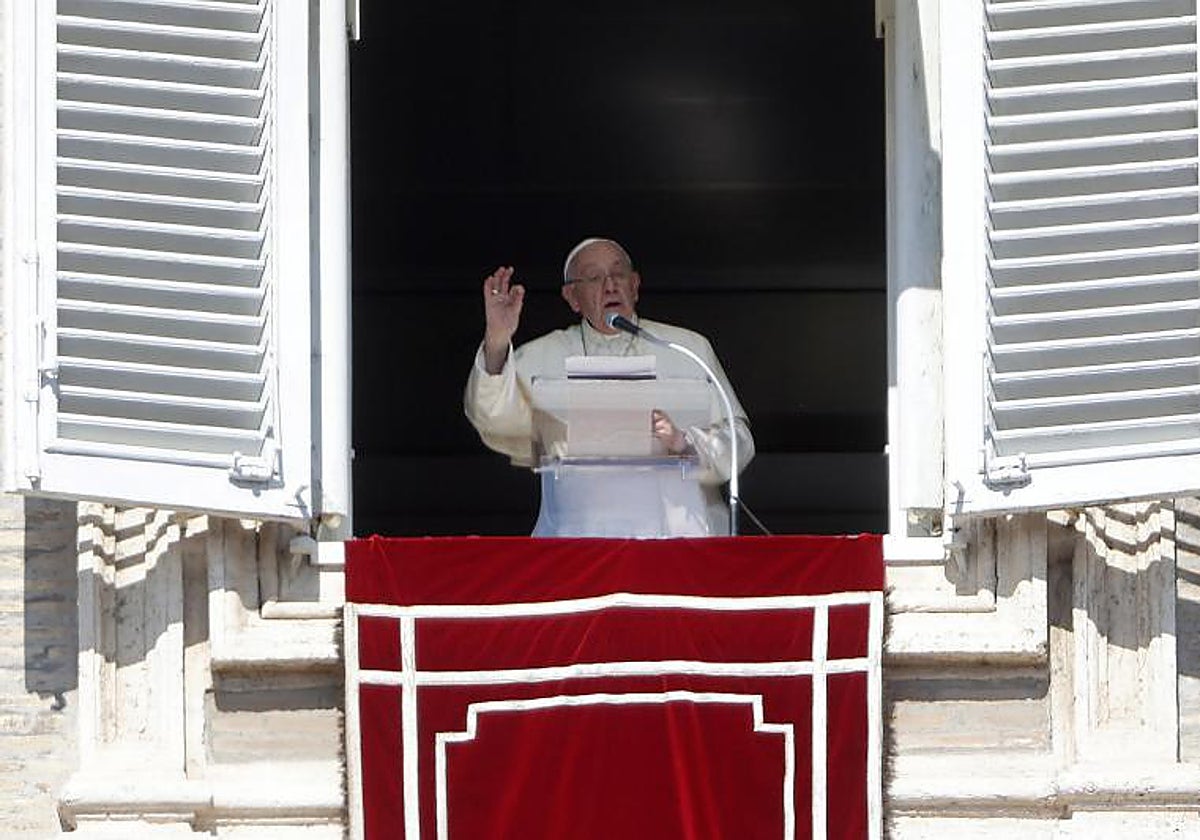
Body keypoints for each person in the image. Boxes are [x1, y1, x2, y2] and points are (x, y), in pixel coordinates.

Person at [464, 237, 754, 537]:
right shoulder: (542, 356)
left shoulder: (687, 348)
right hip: (580, 540)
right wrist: (497, 340)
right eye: (593, 277)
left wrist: (685, 443)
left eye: (618, 274)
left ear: (635, 285)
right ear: (572, 297)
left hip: (679, 539)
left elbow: (739, 440)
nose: (610, 285)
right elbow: (492, 420)